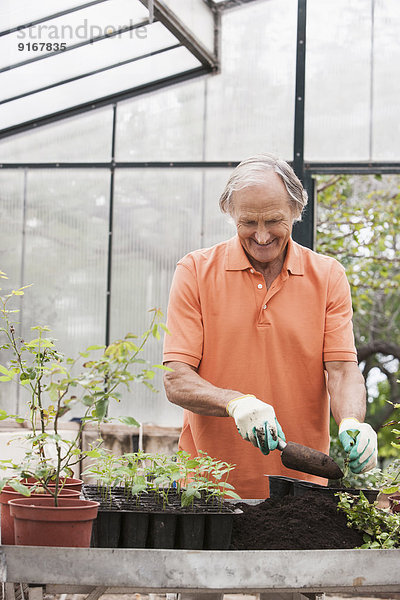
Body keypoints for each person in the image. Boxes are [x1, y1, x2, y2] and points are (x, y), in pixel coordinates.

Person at [163, 154, 377, 500]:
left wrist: (352, 420)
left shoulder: (327, 276)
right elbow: (177, 380)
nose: (261, 236)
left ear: (296, 210)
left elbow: (341, 370)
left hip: (302, 492)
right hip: (208, 491)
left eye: (274, 221)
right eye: (248, 222)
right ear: (230, 214)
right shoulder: (195, 272)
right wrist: (234, 402)